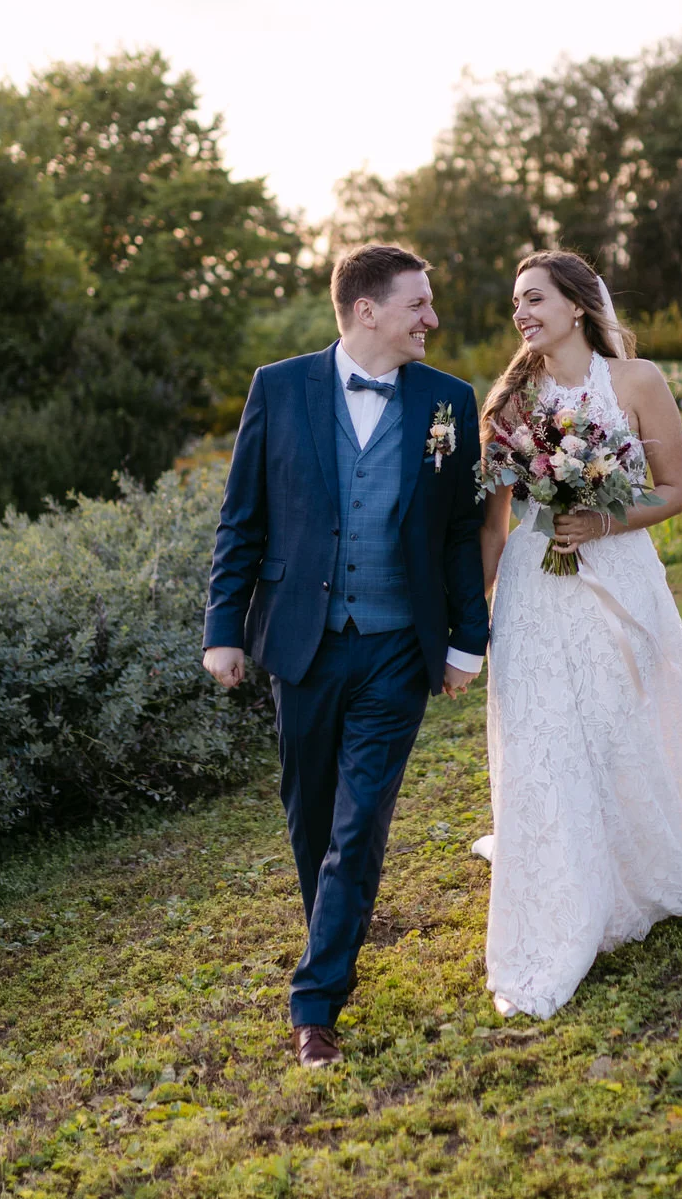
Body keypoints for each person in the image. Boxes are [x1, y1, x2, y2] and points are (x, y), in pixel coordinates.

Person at [475, 250, 682, 1018]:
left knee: (618, 717)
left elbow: (673, 492)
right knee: (545, 730)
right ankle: (564, 877)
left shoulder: (638, 382)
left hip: (617, 572)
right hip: (532, 582)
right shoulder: (511, 399)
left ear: (577, 305)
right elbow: (496, 518)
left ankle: (635, 852)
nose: (521, 313)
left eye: (534, 298)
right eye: (516, 302)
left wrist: (603, 519)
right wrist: (475, 610)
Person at [203, 244, 489, 1066]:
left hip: (399, 645)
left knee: (360, 820)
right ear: (367, 310)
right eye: (418, 304)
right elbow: (242, 519)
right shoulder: (278, 387)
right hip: (302, 641)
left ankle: (315, 1003)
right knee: (313, 816)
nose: (432, 317)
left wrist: (467, 637)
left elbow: (460, 531)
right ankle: (337, 927)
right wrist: (223, 627)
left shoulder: (448, 400)